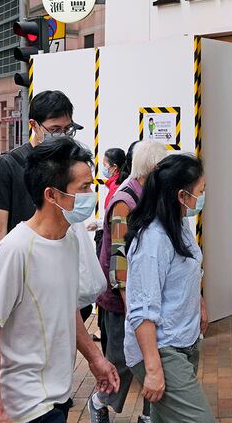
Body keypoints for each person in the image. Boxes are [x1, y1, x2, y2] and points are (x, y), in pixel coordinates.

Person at [0, 137, 119, 423]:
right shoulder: (15, 249)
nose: (91, 195)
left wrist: (95, 358)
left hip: (59, 394)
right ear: (51, 195)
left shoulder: (69, 241)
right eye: (83, 188)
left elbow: (67, 309)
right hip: (26, 404)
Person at [124, 153, 213, 423]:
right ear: (182, 195)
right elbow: (141, 311)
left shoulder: (180, 224)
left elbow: (187, 270)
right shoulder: (152, 242)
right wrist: (153, 369)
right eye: (201, 191)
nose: (203, 196)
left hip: (182, 339)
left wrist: (199, 303)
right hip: (162, 348)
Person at [90, 141, 168, 423]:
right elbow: (118, 262)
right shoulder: (125, 201)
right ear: (152, 169)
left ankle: (149, 416)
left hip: (144, 299)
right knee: (121, 363)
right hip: (122, 302)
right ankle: (98, 402)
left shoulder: (149, 195)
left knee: (150, 361)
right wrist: (132, 311)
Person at [0, 90, 83, 249]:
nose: (62, 135)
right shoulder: (8, 164)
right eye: (55, 129)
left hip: (61, 253)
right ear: (33, 125)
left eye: (67, 129)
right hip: (23, 258)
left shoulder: (70, 164)